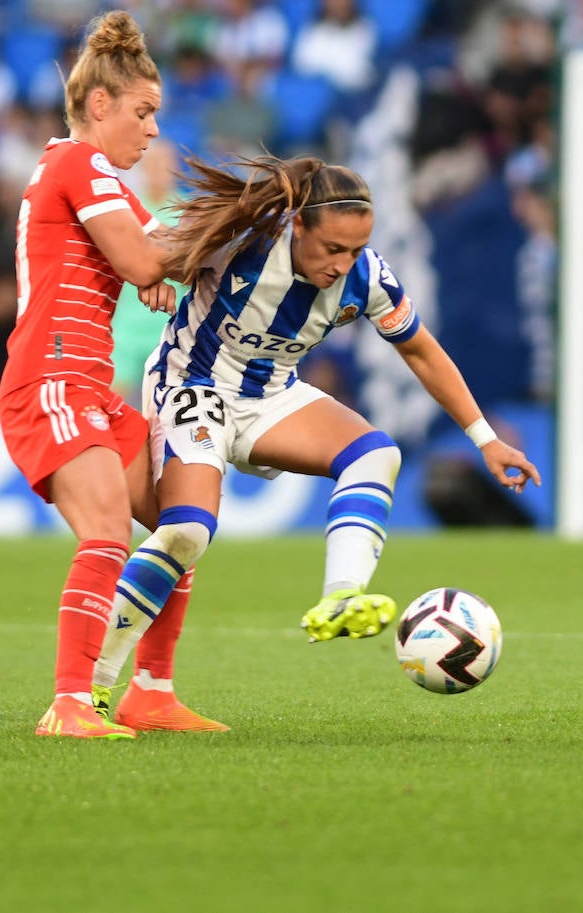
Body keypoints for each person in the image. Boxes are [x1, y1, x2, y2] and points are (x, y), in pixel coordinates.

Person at [88, 154, 541, 719]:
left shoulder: (368, 276)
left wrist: (485, 439)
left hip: (271, 395)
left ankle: (341, 595)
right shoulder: (245, 240)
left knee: (375, 453)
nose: (342, 263)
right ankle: (94, 684)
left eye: (355, 249)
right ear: (297, 225)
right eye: (332, 248)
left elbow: (421, 351)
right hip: (193, 384)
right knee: (186, 535)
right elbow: (142, 250)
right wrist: (150, 275)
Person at [0, 10, 220, 740]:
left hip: (93, 388)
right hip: (52, 379)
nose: (152, 130)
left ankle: (149, 691)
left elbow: (150, 252)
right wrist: (215, 236)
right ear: (100, 105)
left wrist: (152, 265)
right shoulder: (77, 163)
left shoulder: (105, 183)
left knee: (179, 527)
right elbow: (147, 260)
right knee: (105, 533)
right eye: (144, 112)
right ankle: (68, 703)